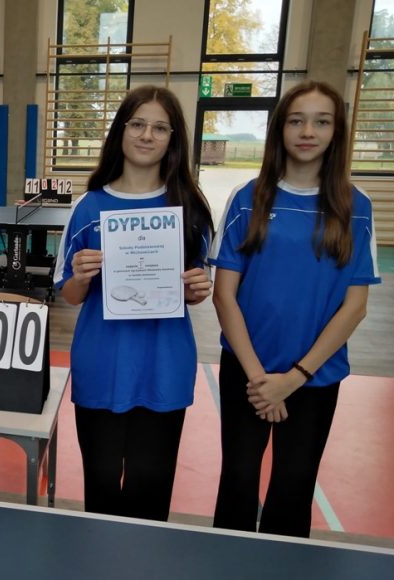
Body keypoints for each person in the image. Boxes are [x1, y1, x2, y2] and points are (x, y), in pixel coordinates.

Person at [210, 81, 381, 538]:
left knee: (294, 483)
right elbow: (224, 295)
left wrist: (294, 378)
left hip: (315, 377)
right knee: (238, 479)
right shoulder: (247, 197)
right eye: (296, 121)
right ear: (280, 129)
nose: (308, 132)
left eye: (321, 122)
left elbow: (355, 307)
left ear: (336, 131)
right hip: (248, 372)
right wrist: (259, 379)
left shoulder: (357, 206)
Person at [53, 85, 214, 521]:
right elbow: (69, 294)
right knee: (102, 485)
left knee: (150, 489)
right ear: (120, 132)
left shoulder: (191, 210)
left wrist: (197, 289)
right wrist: (81, 276)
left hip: (164, 367)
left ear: (173, 139)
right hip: (103, 366)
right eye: (138, 124)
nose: (147, 135)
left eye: (160, 128)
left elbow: (196, 290)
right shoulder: (88, 207)